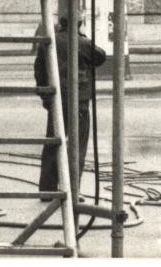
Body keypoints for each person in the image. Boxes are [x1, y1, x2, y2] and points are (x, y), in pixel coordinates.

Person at [33, 13, 106, 194]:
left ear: (61, 24)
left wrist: (45, 95)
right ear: (79, 24)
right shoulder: (82, 43)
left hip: (56, 97)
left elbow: (39, 71)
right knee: (78, 145)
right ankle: (73, 189)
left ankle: (47, 188)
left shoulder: (49, 42)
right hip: (78, 99)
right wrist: (83, 37)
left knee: (53, 141)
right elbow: (100, 56)